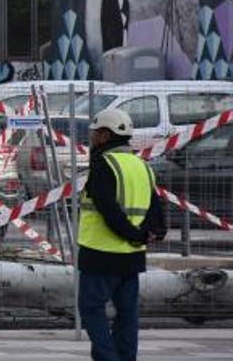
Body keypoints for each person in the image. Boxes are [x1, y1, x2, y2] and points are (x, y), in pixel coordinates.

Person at [78, 109, 166, 361]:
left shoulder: (104, 164)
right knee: (127, 313)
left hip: (101, 253)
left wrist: (132, 234)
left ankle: (108, 358)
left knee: (91, 308)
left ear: (106, 135)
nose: (92, 138)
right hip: (132, 256)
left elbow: (108, 208)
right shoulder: (141, 165)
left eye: (95, 133)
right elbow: (156, 209)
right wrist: (147, 234)